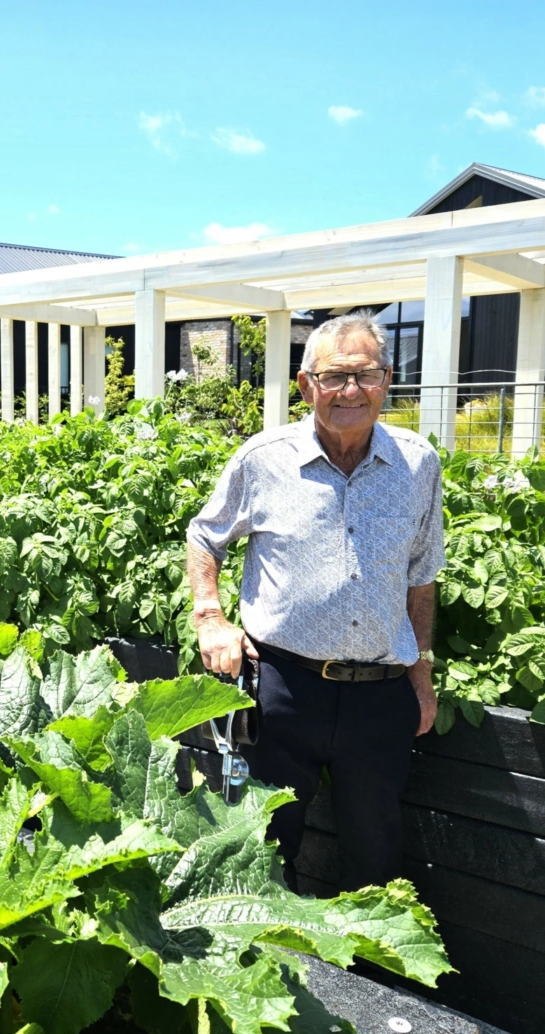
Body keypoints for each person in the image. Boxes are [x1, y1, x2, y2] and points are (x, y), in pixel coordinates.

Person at [185, 312, 444, 893]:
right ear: (307, 386)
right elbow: (206, 535)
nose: (351, 391)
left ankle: (371, 978)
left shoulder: (418, 463)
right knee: (262, 851)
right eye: (334, 377)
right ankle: (257, 970)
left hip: (380, 697)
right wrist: (210, 617)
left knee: (377, 861)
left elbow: (422, 577)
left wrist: (422, 673)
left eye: (366, 375)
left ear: (387, 380)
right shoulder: (264, 459)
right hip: (281, 692)